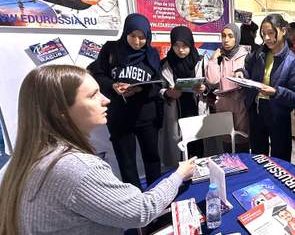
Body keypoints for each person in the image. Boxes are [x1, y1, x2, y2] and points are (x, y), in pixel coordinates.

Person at [0, 65, 196, 234]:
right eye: (93, 95)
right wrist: (178, 175)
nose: (106, 100)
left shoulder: (26, 158)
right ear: (59, 111)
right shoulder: (78, 168)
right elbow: (142, 211)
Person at [88, 13, 163, 189]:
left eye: (142, 37)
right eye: (133, 36)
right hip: (120, 116)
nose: (137, 42)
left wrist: (139, 89)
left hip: (146, 115)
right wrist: (113, 86)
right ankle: (135, 200)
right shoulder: (111, 49)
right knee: (126, 162)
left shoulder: (151, 54)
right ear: (125, 33)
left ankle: (158, 195)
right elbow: (98, 75)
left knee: (152, 158)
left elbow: (157, 84)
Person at [236, 14, 295, 162]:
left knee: (280, 159)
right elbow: (248, 67)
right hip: (257, 109)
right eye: (263, 34)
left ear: (283, 31)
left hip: (278, 114)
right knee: (258, 156)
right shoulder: (260, 53)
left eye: (271, 33)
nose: (266, 38)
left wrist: (276, 92)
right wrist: (241, 73)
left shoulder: (294, 62)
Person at [159, 26, 209, 168]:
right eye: (176, 46)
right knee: (180, 147)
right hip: (176, 111)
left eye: (185, 46)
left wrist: (204, 89)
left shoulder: (201, 61)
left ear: (191, 44)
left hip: (196, 111)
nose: (181, 50)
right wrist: (168, 93)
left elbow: (211, 85)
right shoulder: (165, 64)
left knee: (198, 146)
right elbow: (158, 89)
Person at [205, 23, 250, 152]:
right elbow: (212, 80)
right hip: (223, 106)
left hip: (241, 106)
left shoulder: (246, 56)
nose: (226, 40)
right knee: (227, 147)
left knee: (242, 144)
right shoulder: (219, 57)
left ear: (237, 37)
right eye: (223, 36)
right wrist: (213, 60)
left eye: (230, 36)